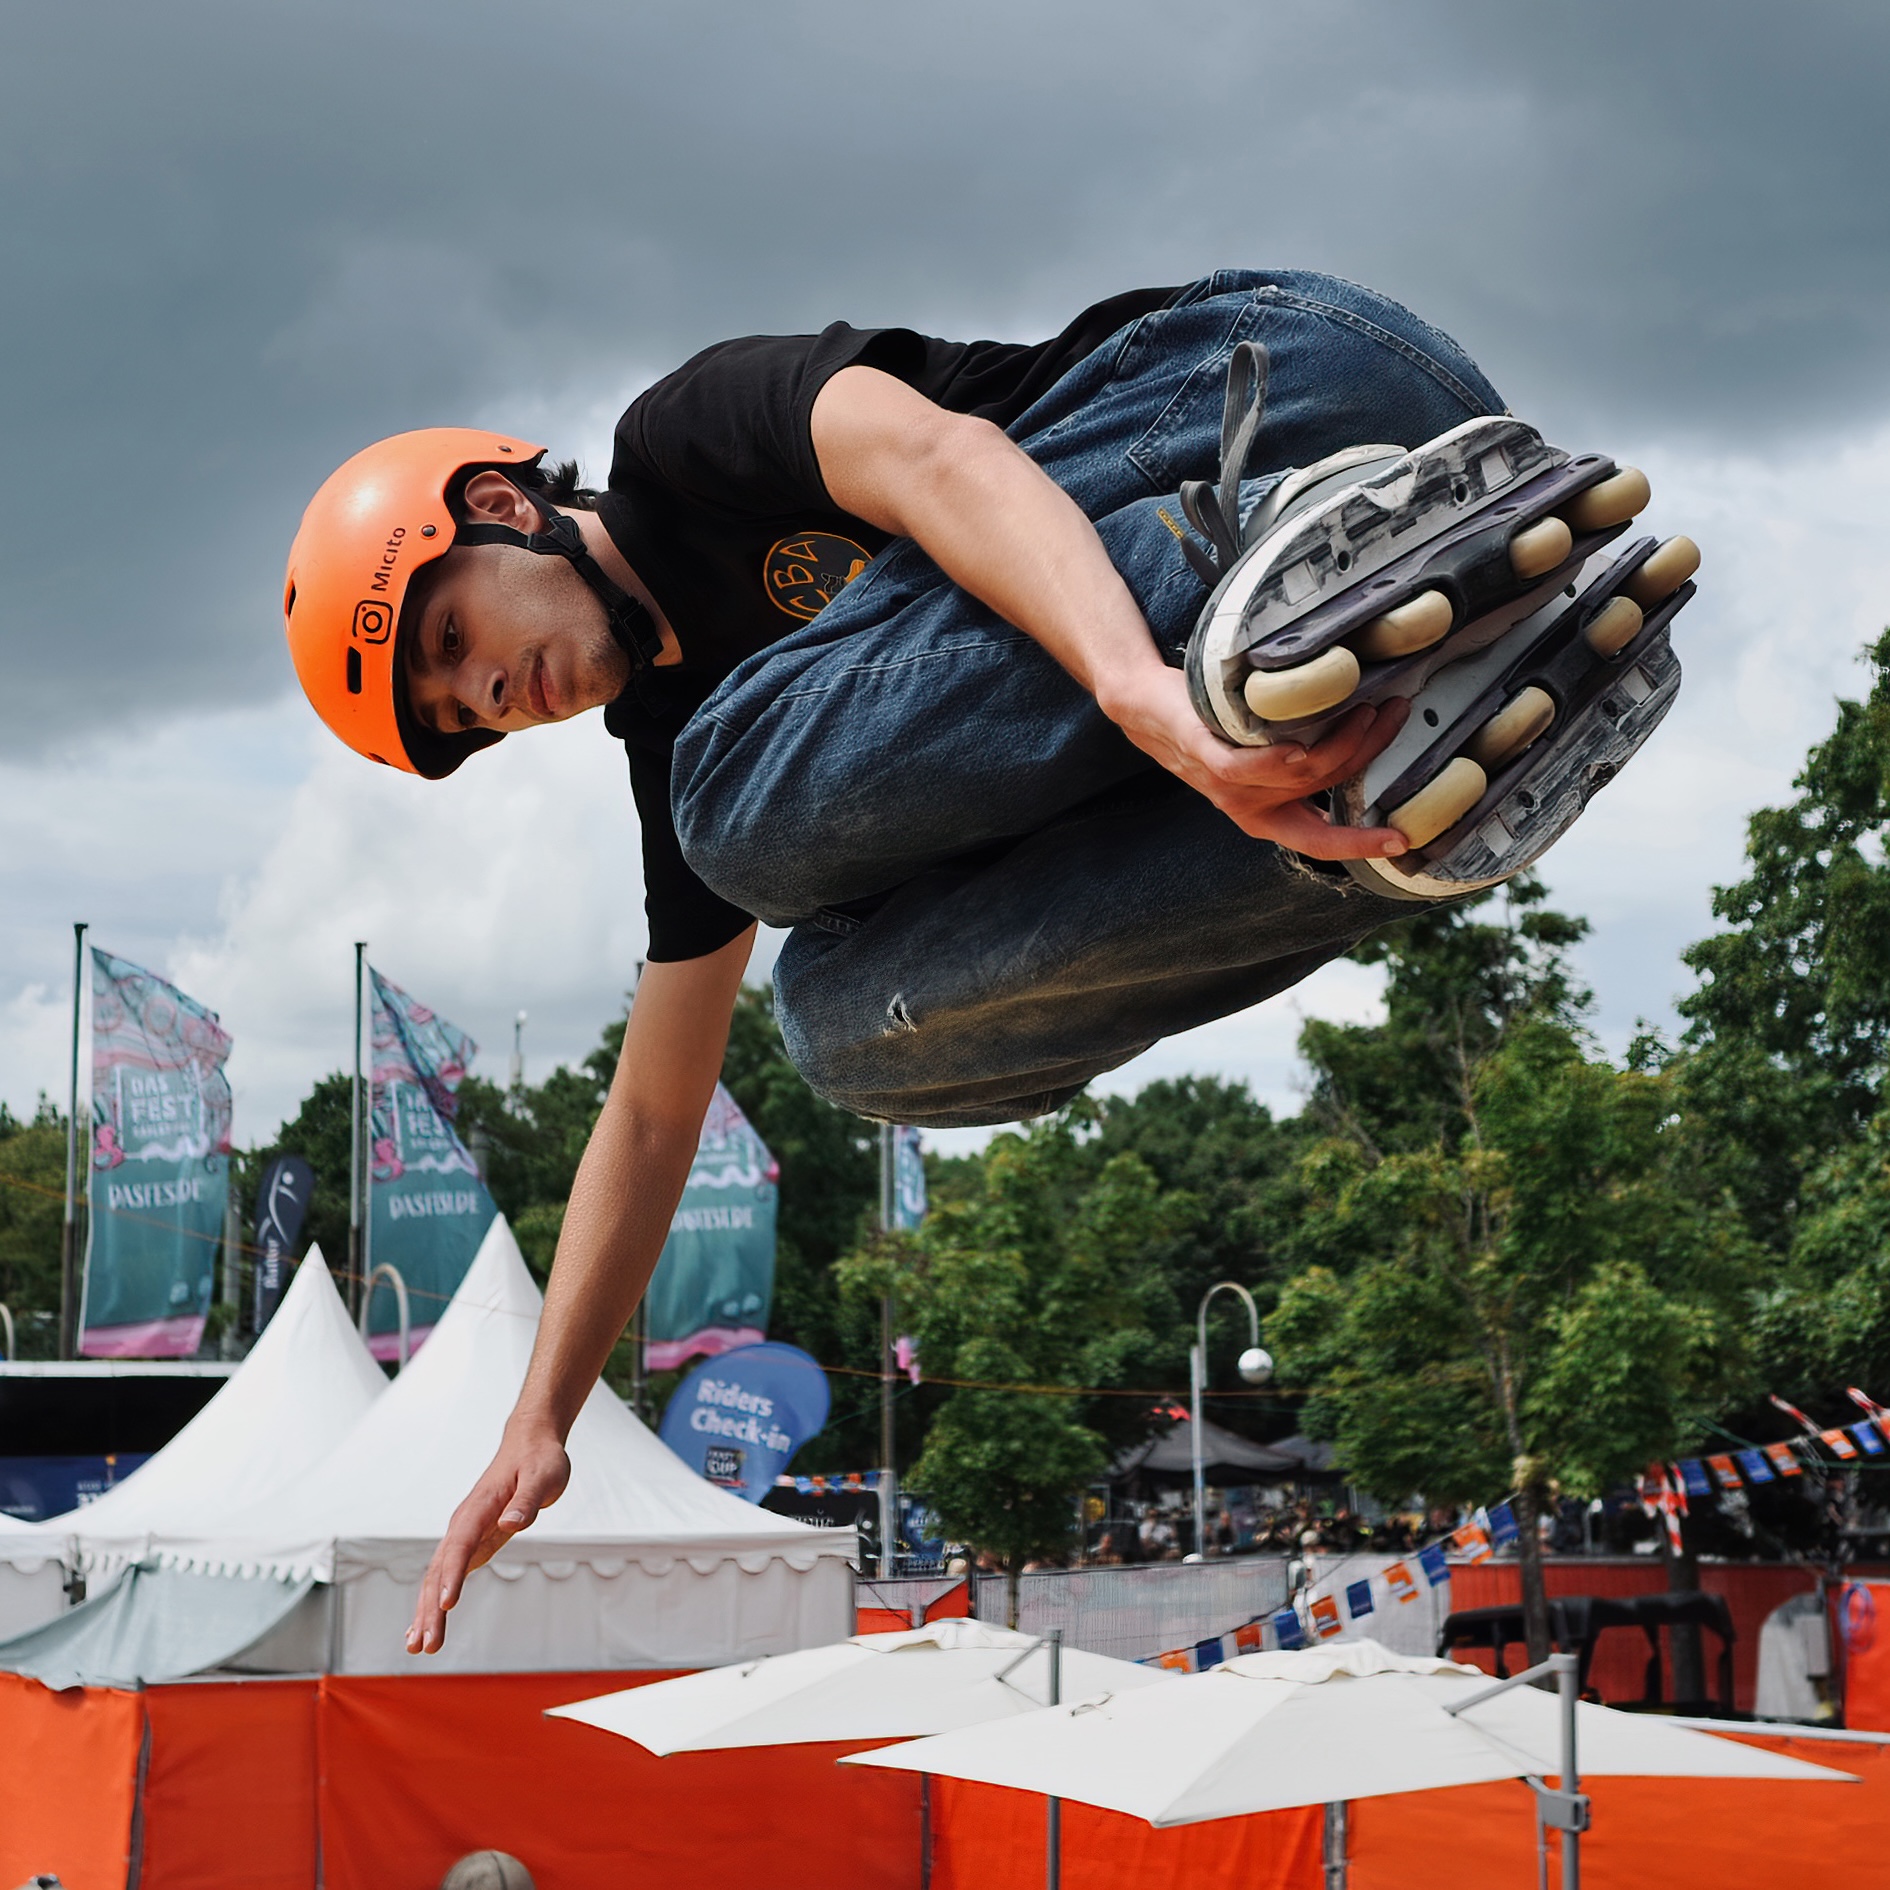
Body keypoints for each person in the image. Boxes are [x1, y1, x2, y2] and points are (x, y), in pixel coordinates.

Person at [282, 268, 1682, 1654]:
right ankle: (1366, 794)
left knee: (732, 816)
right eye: (461, 712)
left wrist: (1138, 683)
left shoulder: (686, 439)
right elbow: (653, 1111)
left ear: (503, 507)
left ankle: (1259, 552)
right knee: (836, 1029)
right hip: (1426, 544)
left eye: (457, 638)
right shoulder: (677, 748)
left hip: (1265, 389)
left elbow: (942, 456)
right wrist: (540, 1421)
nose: (492, 693)